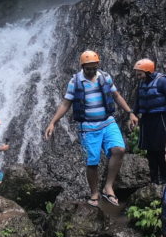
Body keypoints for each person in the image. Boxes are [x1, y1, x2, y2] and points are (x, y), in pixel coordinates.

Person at [43, 50, 134, 206]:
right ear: (82, 66)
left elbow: (116, 95)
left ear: (97, 65)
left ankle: (108, 187)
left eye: (94, 68)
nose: (91, 71)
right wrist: (53, 122)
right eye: (88, 69)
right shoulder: (75, 82)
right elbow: (66, 103)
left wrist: (130, 112)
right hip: (88, 127)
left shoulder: (105, 77)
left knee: (119, 149)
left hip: (107, 121)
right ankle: (94, 193)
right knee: (92, 162)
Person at [130, 57, 166, 184]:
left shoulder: (162, 81)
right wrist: (133, 115)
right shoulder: (141, 83)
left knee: (162, 149)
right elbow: (138, 102)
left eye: (140, 74)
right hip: (147, 119)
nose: (138, 77)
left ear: (148, 72)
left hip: (161, 118)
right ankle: (153, 178)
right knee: (150, 150)